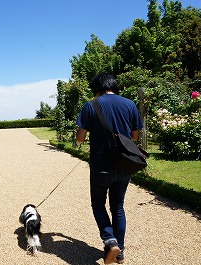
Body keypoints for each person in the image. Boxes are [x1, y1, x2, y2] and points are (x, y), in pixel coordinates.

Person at [75, 73, 144, 264]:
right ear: (114, 85)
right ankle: (119, 252)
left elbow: (80, 138)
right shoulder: (129, 104)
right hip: (124, 165)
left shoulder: (91, 105)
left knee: (98, 205)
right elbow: (135, 136)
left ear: (96, 88)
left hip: (100, 166)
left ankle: (110, 240)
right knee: (118, 207)